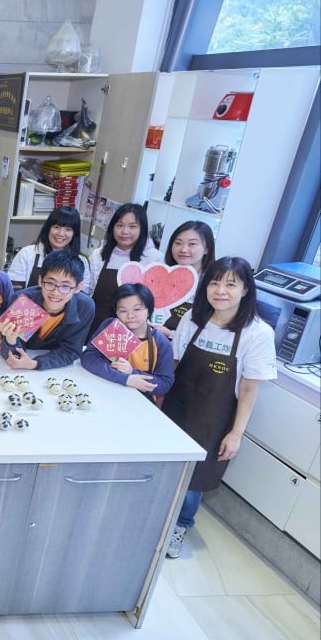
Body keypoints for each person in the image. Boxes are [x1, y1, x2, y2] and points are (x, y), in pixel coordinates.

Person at [161, 257, 277, 559]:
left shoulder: (257, 333)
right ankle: (155, 521)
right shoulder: (193, 319)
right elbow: (174, 364)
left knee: (194, 479)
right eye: (214, 282)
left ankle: (180, 526)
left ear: (245, 289)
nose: (220, 290)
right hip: (177, 405)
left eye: (230, 283)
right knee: (164, 468)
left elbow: (250, 388)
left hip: (214, 419)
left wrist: (236, 434)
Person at [0, 250, 94, 370]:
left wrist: (36, 364)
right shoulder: (24, 301)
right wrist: (11, 340)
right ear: (40, 280)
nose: (56, 292)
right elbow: (12, 356)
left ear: (78, 287)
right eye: (50, 283)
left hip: (56, 370)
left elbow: (70, 351)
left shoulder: (85, 307)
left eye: (65, 286)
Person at [81, 283, 174, 399]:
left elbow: (165, 384)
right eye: (123, 311)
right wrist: (126, 378)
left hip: (137, 401)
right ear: (116, 312)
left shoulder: (161, 343)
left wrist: (132, 372)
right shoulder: (110, 327)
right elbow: (88, 358)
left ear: (149, 310)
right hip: (103, 391)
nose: (130, 316)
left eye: (137, 309)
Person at [86, 203, 163, 340]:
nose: (124, 232)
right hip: (97, 325)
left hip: (133, 330)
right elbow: (89, 290)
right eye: (119, 225)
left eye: (132, 226)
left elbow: (155, 301)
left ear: (142, 229)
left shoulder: (153, 257)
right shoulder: (99, 254)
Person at [7, 206, 91, 291]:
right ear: (48, 228)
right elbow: (15, 292)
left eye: (68, 229)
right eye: (56, 227)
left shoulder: (82, 261)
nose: (61, 233)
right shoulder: (27, 254)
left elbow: (82, 298)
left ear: (74, 234)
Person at [159, 220, 216, 338]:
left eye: (192, 244)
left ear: (207, 249)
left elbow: (211, 332)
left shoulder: (213, 284)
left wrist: (170, 334)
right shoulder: (160, 274)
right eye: (178, 243)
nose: (183, 249)